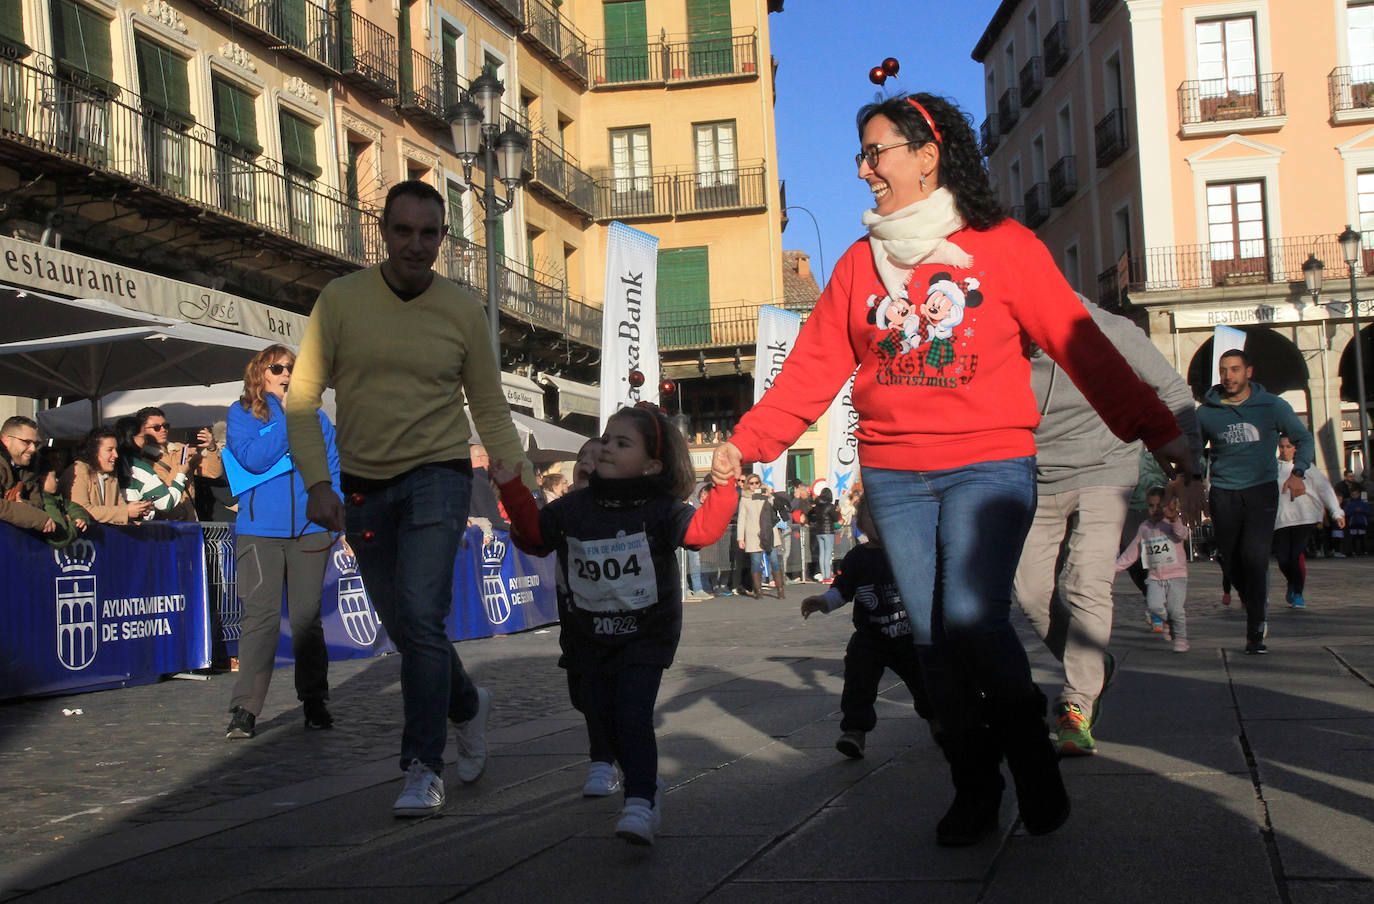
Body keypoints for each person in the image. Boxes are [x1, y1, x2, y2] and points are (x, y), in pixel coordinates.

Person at [709, 91, 1195, 844]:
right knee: (932, 638)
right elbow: (809, 372)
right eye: (862, 155)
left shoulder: (1005, 246)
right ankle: (974, 784)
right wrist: (746, 442)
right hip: (897, 477)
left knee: (971, 617)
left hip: (989, 464)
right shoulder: (859, 265)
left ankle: (1031, 759)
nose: (864, 169)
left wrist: (1159, 430)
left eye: (877, 152)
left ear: (928, 155)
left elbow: (1083, 345)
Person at [285, 180, 534, 817]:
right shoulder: (340, 301)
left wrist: (519, 480)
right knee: (404, 625)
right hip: (364, 484)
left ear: (443, 238)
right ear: (383, 231)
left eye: (429, 234)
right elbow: (302, 400)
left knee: (422, 616)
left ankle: (422, 766)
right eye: (404, 231)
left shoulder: (462, 310)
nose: (416, 245)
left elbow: (489, 406)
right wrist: (318, 483)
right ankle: (467, 704)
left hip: (439, 475)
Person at [493, 404, 737, 845]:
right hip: (587, 635)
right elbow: (535, 537)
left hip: (646, 634)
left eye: (622, 443)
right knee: (601, 717)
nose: (606, 448)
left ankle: (640, 800)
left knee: (632, 714)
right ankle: (644, 781)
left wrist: (724, 488)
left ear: (652, 465)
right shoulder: (573, 507)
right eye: (606, 439)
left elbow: (701, 533)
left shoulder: (661, 509)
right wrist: (512, 488)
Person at [1011, 296, 1203, 757]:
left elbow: (1173, 392)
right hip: (1036, 473)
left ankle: (1077, 702)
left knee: (1087, 581)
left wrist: (1191, 472)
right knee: (1031, 593)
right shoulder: (997, 332)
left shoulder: (1110, 331)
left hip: (1106, 466)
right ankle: (1096, 664)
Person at [223, 344, 340, 740]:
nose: (286, 373)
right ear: (261, 371)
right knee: (261, 618)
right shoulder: (242, 413)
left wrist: (336, 521)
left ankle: (314, 700)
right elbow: (253, 458)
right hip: (260, 532)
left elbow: (334, 467)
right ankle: (245, 708)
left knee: (307, 619)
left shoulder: (317, 417)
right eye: (277, 368)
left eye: (292, 367)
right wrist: (287, 420)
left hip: (311, 530)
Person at [800, 499, 932, 769]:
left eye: (888, 514)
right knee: (858, 682)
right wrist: (824, 602)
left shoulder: (909, 550)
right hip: (870, 637)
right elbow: (842, 590)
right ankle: (855, 731)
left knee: (926, 681)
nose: (882, 522)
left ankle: (939, 719)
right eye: (874, 517)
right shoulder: (857, 558)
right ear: (861, 523)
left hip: (910, 637)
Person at [1197, 349, 1314, 654]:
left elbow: (1304, 438)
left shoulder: (1272, 406)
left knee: (1255, 556)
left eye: (1235, 369)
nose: (1228, 376)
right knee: (1229, 559)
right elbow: (1195, 450)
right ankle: (1252, 600)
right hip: (1223, 492)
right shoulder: (1206, 413)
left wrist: (1298, 471)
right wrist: (1193, 481)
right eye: (1224, 370)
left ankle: (1255, 630)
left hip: (1260, 491)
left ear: (1248, 372)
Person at [1115, 487, 1191, 654]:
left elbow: (1182, 534)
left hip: (1176, 575)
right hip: (1155, 577)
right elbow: (1132, 553)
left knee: (1176, 610)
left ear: (1168, 506)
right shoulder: (1145, 528)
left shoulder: (1172, 524)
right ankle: (1168, 621)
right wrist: (1114, 567)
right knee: (1154, 606)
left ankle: (1181, 638)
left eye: (1159, 506)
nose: (1155, 510)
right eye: (1151, 506)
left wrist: (1174, 519)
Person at [1274, 434, 1343, 608]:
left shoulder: (1306, 467)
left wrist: (1336, 513)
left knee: (1295, 555)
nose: (1285, 450)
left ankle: (1298, 593)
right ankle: (1292, 581)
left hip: (1305, 517)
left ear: (1296, 448)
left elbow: (1324, 489)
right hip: (1281, 519)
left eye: (1288, 447)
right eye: (1282, 447)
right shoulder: (1273, 467)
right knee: (1282, 559)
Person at [61, 427, 154, 524]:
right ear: (94, 452)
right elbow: (81, 511)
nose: (116, 455)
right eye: (110, 450)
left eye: (116, 450)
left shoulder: (111, 474)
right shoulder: (78, 471)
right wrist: (126, 512)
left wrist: (138, 511)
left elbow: (119, 507)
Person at [125, 407, 203, 520]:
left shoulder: (179, 449)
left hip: (190, 519)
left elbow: (213, 473)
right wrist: (178, 465)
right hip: (166, 523)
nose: (163, 430)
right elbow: (163, 495)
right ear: (142, 430)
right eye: (156, 428)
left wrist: (211, 448)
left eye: (165, 426)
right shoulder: (143, 462)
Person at [0, 416, 59, 535]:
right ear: (6, 441)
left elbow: (37, 503)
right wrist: (34, 517)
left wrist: (24, 506)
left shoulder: (29, 469)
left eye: (35, 443)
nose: (32, 449)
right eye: (26, 442)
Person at [737, 473, 782, 599]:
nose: (754, 485)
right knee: (756, 562)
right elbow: (741, 519)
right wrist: (740, 538)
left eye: (757, 483)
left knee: (774, 560)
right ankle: (758, 590)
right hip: (753, 534)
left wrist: (770, 496)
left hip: (769, 532)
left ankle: (780, 589)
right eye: (751, 483)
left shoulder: (765, 495)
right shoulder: (745, 499)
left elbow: (778, 507)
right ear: (747, 485)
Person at [807, 487, 839, 582]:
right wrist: (837, 511)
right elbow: (836, 518)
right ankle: (827, 577)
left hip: (818, 532)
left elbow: (810, 515)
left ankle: (824, 575)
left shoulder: (817, 506)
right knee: (828, 554)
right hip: (828, 531)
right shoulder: (830, 506)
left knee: (822, 554)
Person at [1343, 486, 1370, 556]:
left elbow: (1368, 512)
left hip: (1362, 522)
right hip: (1353, 523)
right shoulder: (1349, 503)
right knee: (1354, 537)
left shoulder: (1363, 503)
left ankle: (1364, 551)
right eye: (1353, 494)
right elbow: (1347, 513)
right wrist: (1354, 511)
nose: (1354, 496)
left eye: (1356, 494)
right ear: (1351, 495)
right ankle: (1354, 551)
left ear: (1359, 494)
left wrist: (1361, 510)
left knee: (1362, 537)